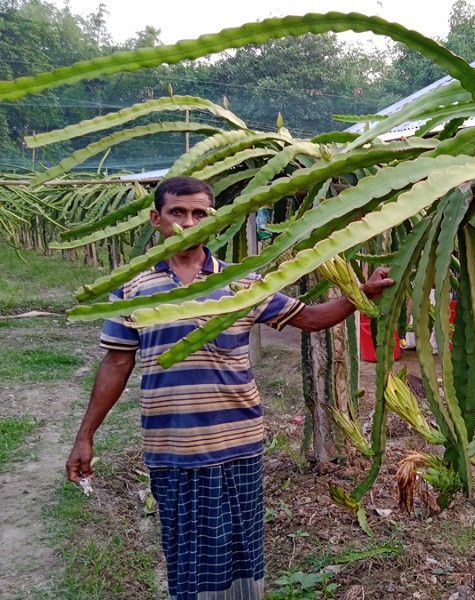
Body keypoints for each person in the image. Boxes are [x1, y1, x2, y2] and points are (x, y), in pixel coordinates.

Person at [65, 175, 393, 600]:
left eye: (200, 213)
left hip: (238, 441)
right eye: (177, 212)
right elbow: (116, 363)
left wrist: (358, 295)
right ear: (155, 219)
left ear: (214, 220)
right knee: (188, 555)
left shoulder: (242, 281)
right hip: (173, 447)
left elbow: (308, 318)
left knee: (242, 553)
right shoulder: (132, 287)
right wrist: (85, 436)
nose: (189, 222)